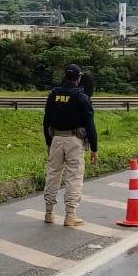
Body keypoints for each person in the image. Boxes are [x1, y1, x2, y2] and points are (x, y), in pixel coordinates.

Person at [42, 64, 99, 227]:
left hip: (56, 139)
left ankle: (48, 213)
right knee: (73, 177)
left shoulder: (53, 95)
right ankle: (70, 215)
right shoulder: (82, 97)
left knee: (53, 174)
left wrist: (48, 142)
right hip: (75, 141)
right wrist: (94, 148)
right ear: (79, 77)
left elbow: (46, 122)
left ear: (65, 77)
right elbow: (90, 125)